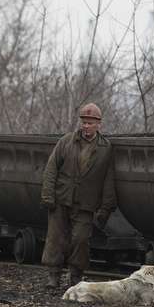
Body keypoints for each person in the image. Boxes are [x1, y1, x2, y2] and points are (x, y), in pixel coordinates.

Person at [40, 102, 117, 289]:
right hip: (61, 198)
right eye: (84, 122)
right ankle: (53, 275)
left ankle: (76, 275)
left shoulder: (105, 148)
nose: (86, 126)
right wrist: (48, 195)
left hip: (85, 203)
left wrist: (106, 207)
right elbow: (51, 168)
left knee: (80, 240)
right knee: (56, 237)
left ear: (99, 124)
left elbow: (108, 179)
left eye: (90, 123)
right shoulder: (66, 141)